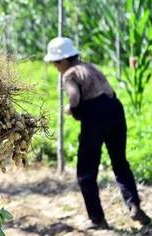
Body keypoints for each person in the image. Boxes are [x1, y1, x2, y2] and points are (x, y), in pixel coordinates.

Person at [44, 37, 151, 229]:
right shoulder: (91, 67)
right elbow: (106, 91)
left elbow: (75, 97)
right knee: (120, 162)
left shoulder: (70, 73)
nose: (56, 67)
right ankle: (134, 205)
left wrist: (73, 110)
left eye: (55, 63)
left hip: (95, 117)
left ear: (64, 60)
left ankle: (97, 219)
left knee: (86, 171)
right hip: (115, 110)